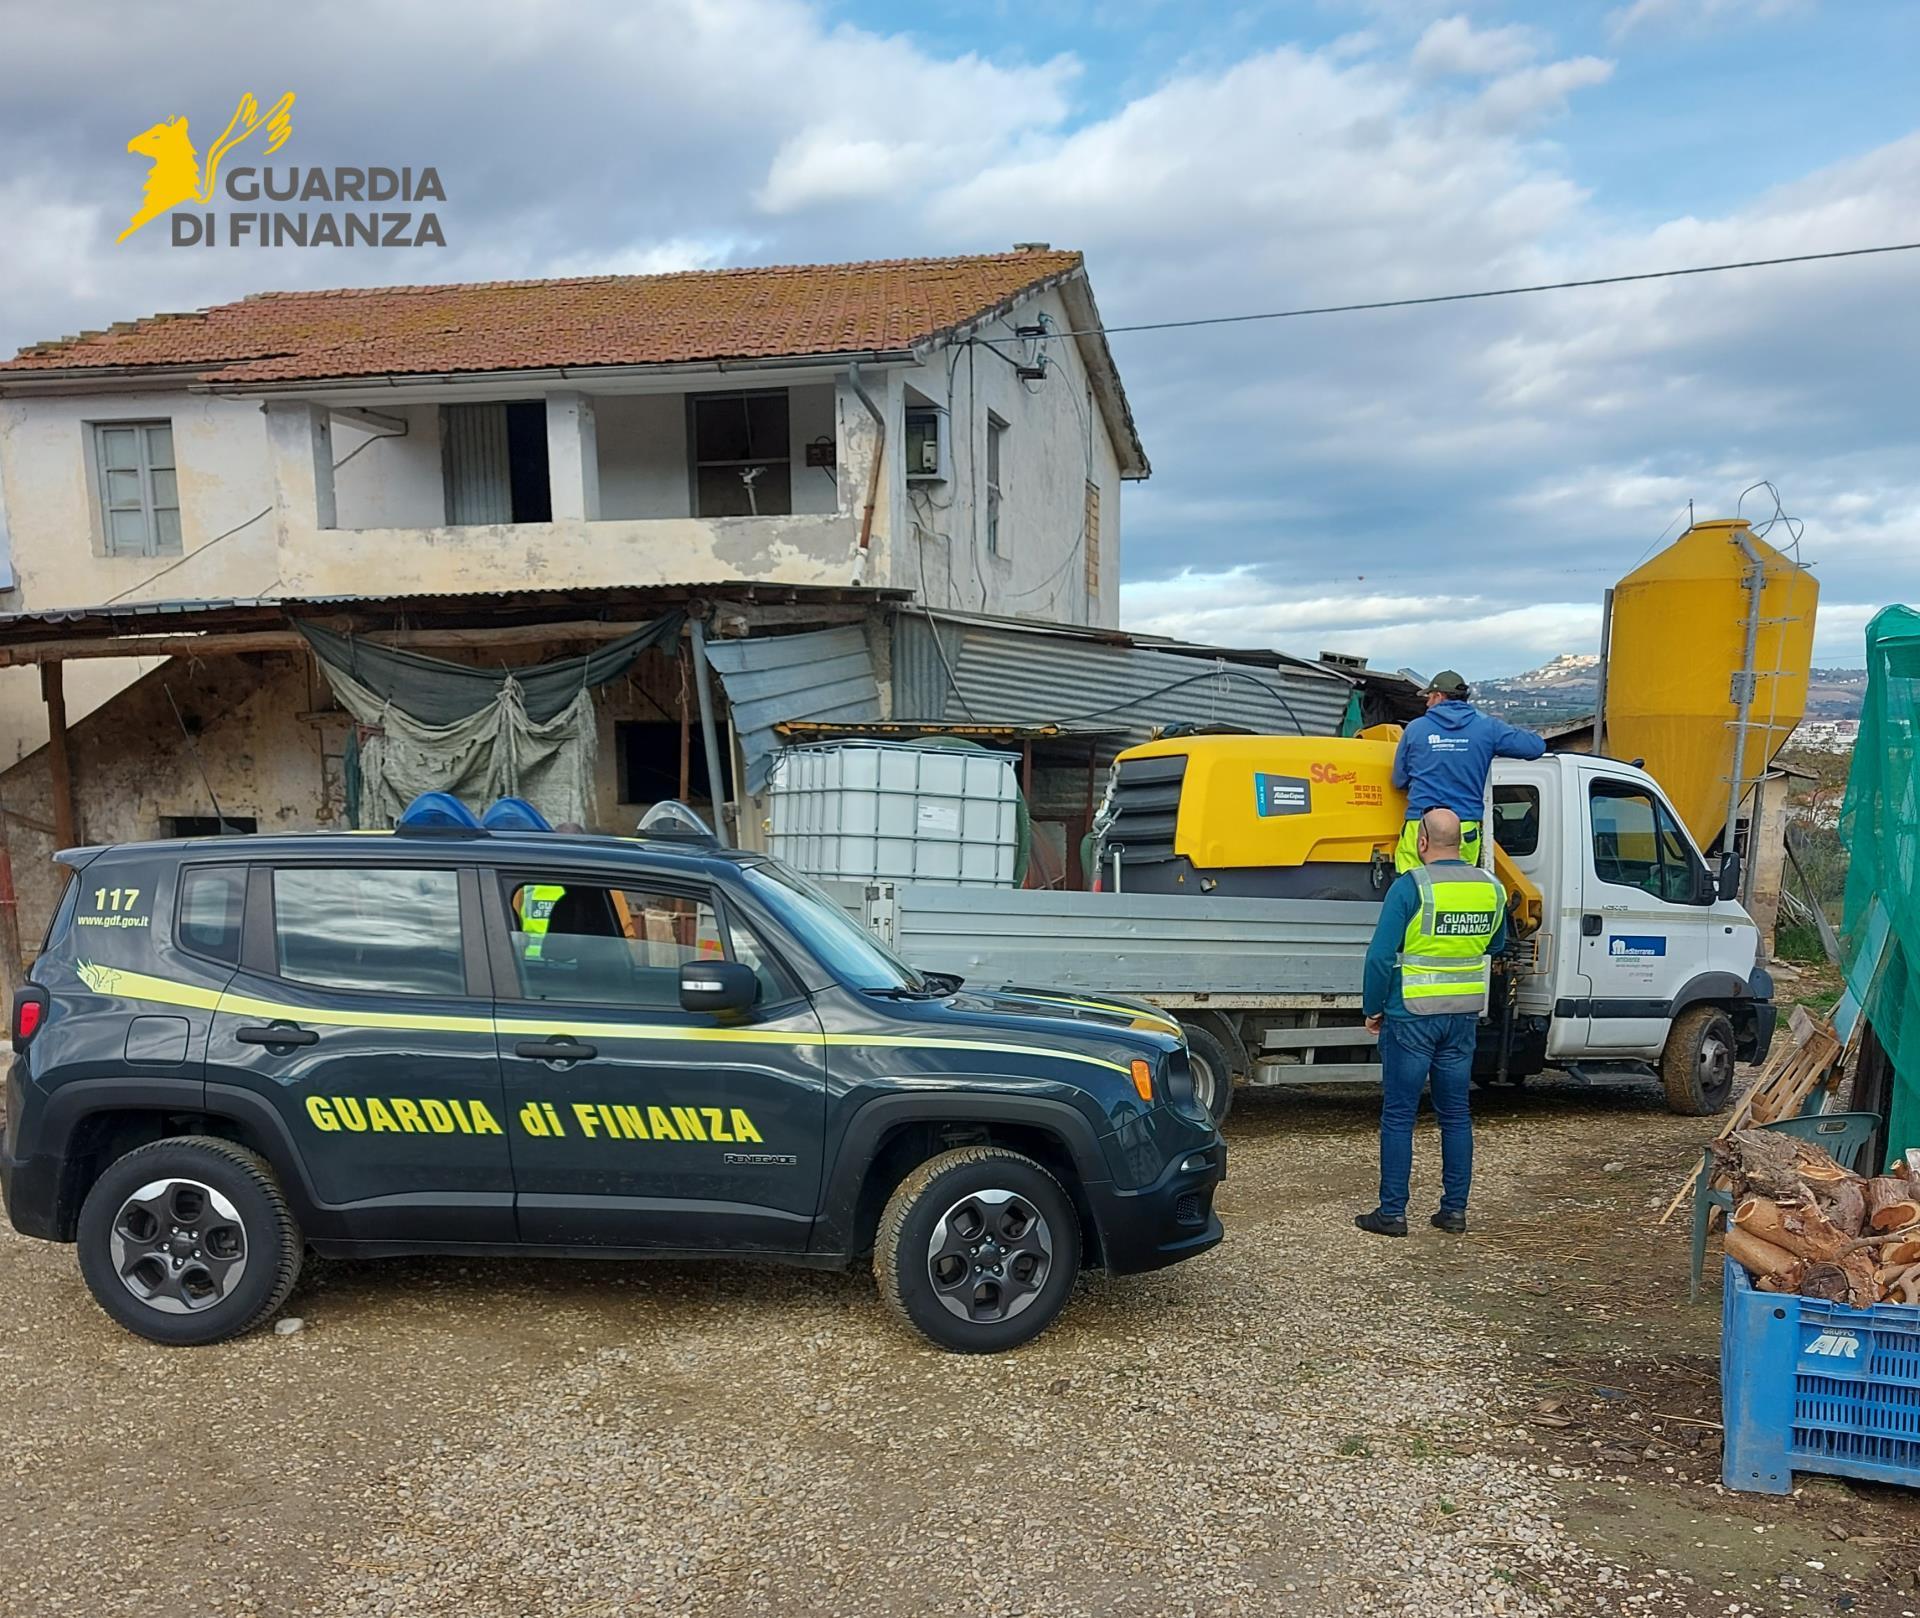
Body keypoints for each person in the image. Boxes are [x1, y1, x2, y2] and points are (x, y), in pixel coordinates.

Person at [1354, 808, 1508, 1239]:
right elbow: (1495, 945)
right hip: (1460, 1018)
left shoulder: (1411, 886)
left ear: (1422, 841)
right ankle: (1454, 1211)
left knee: (1400, 1116)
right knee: (1456, 1114)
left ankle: (1392, 1213)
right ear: (1460, 842)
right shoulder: (1491, 889)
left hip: (1411, 1018)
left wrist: (1373, 1007)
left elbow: (1380, 955)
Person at [1391, 671, 1545, 874]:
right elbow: (1535, 747)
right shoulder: (1486, 727)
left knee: (1412, 889)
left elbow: (1399, 779)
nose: (1427, 704)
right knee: (1459, 889)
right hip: (1463, 828)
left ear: (1439, 696)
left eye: (1429, 697)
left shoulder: (1415, 729)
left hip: (1421, 827)